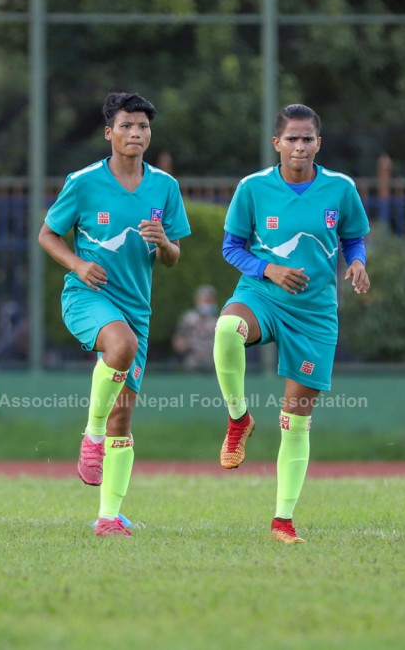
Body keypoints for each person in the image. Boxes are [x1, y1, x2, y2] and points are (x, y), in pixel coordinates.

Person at [213, 103, 370, 544]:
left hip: (315, 312)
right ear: (276, 143)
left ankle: (283, 521)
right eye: (292, 139)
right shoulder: (252, 188)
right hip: (261, 295)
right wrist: (268, 269)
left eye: (308, 139)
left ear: (319, 143)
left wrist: (357, 263)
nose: (299, 147)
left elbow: (354, 238)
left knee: (295, 421)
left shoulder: (340, 188)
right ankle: (238, 418)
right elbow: (232, 247)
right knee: (226, 330)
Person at [38, 91, 191, 537]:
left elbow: (173, 258)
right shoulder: (83, 181)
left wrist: (163, 242)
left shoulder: (165, 187)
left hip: (135, 307)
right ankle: (91, 435)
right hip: (87, 297)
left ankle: (107, 518)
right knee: (120, 347)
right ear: (109, 133)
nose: (135, 133)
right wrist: (78, 264)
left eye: (142, 126)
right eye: (126, 126)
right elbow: (47, 235)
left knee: (123, 418)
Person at [171, 284, 218, 371]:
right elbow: (178, 341)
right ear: (198, 300)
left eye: (210, 300)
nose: (208, 303)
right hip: (192, 363)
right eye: (205, 300)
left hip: (212, 364)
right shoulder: (189, 318)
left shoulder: (217, 320)